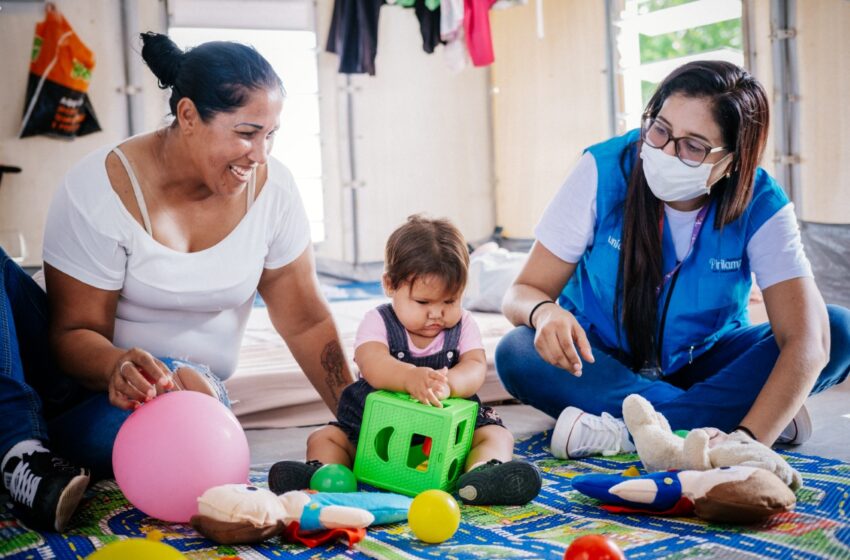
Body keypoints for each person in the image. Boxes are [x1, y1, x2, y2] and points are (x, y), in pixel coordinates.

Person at [0, 32, 353, 532]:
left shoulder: (275, 194)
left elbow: (306, 320)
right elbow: (69, 336)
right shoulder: (101, 188)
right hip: (63, 377)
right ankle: (22, 455)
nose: (260, 155)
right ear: (187, 116)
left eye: (270, 135)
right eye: (247, 133)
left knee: (184, 393)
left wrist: (356, 416)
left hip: (174, 401)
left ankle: (37, 451)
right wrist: (117, 364)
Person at [496, 61, 850, 461]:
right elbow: (522, 293)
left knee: (836, 329)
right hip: (602, 360)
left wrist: (749, 443)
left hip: (706, 360)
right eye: (660, 129)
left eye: (693, 146)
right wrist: (544, 313)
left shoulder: (761, 204)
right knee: (517, 352)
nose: (665, 150)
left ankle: (625, 434)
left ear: (732, 161)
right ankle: (729, 420)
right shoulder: (604, 169)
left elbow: (807, 339)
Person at [267, 216, 541, 505]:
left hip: (445, 433)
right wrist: (409, 377)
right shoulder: (378, 321)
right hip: (375, 430)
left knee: (497, 435)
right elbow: (372, 363)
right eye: (423, 303)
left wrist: (450, 384)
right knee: (324, 438)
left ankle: (482, 475)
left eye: (450, 301)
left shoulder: (465, 326)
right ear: (389, 285)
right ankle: (325, 475)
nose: (437, 313)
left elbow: (475, 366)